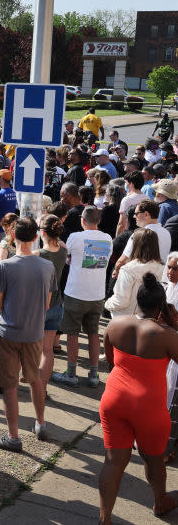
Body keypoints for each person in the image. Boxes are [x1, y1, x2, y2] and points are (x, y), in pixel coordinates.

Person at [98, 274, 178, 523]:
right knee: (154, 459)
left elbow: (111, 363)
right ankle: (160, 502)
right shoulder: (165, 334)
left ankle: (104, 518)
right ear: (160, 305)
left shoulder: (115, 325)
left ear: (137, 300)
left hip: (114, 397)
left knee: (113, 461)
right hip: (149, 406)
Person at [0, 217, 56, 452]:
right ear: (36, 237)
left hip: (8, 331)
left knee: (9, 385)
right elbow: (47, 304)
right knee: (35, 378)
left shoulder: (6, 266)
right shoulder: (47, 266)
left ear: (13, 236)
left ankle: (13, 436)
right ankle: (41, 423)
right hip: (34, 332)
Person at [51, 206, 112, 388]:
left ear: (82, 220)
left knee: (72, 334)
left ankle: (71, 374)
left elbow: (64, 251)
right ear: (99, 221)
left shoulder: (75, 237)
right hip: (97, 294)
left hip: (76, 293)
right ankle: (93, 375)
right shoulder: (108, 238)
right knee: (94, 334)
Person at [37, 215, 68, 389]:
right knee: (48, 350)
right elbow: (61, 245)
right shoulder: (63, 250)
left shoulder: (38, 254)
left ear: (42, 232)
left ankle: (32, 380)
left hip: (40, 307)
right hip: (57, 304)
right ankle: (43, 386)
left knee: (34, 349)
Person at [107, 228, 165, 317]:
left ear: (136, 245)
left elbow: (121, 301)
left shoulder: (128, 270)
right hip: (150, 319)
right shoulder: (163, 268)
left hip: (125, 319)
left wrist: (107, 304)